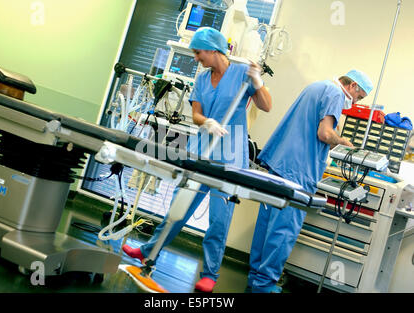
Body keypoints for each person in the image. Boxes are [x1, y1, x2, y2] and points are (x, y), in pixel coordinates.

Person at [122, 27, 272, 293]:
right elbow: (197, 115)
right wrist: (208, 122)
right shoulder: (202, 79)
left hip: (229, 157)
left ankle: (210, 275)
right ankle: (148, 252)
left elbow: (266, 106)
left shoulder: (241, 73)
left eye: (198, 52)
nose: (196, 57)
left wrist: (258, 82)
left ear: (213, 50)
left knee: (218, 220)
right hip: (202, 150)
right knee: (178, 209)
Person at [247, 69, 373, 293]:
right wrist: (343, 142)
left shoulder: (317, 86)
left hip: (280, 163)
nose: (355, 102)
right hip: (298, 170)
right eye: (359, 96)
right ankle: (264, 285)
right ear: (353, 86)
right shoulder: (335, 93)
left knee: (266, 225)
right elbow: (325, 134)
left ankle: (256, 279)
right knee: (283, 231)